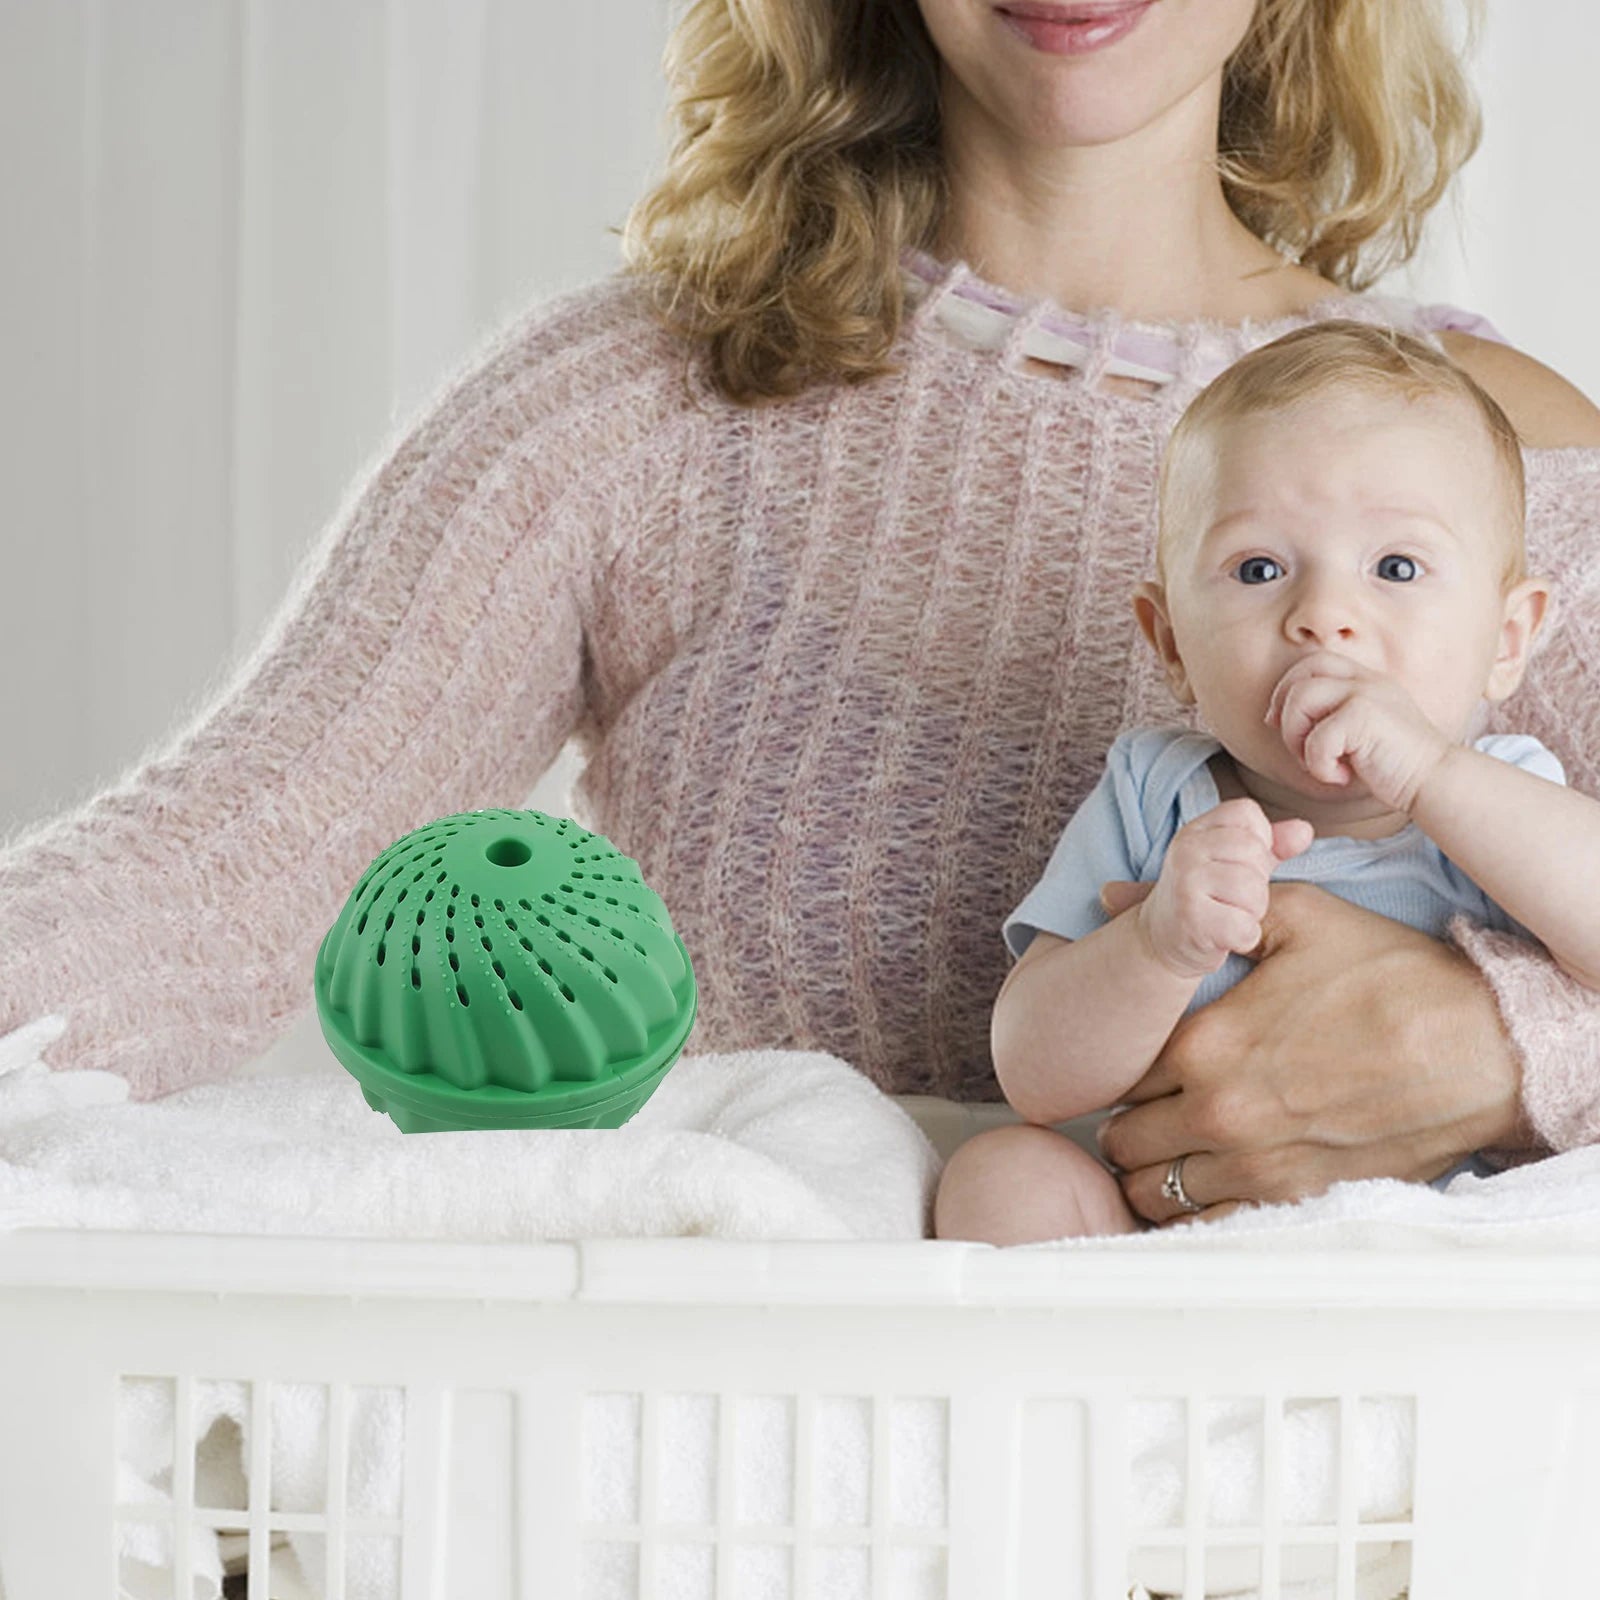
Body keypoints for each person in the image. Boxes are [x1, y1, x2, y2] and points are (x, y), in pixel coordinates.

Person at [3, 0, 1600, 1229]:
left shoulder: (1501, 458)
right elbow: (212, 871)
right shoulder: (638, 409)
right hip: (754, 1478)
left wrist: (1511, 1048)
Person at [934, 319, 1600, 1243]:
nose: (1324, 616)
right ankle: (1102, 1379)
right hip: (1180, 1237)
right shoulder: (1154, 794)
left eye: (1396, 568)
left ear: (1508, 639)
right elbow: (1036, 1076)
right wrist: (1157, 947)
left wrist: (1433, 775)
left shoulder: (1502, 795)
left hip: (1450, 1239)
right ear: (1171, 644)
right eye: (1258, 569)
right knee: (1003, 1175)